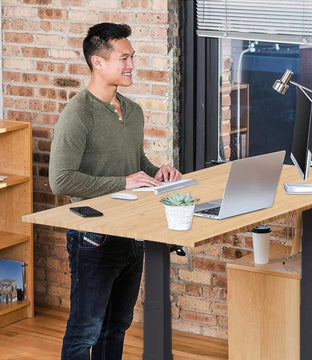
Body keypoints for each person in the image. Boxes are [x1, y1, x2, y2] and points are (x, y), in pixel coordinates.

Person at [49, 22, 181, 360]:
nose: (131, 65)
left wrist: (158, 173)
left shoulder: (132, 111)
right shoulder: (78, 114)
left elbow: (134, 162)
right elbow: (60, 180)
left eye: (132, 57)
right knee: (85, 330)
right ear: (98, 62)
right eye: (123, 58)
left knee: (117, 325)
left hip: (131, 232)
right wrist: (124, 183)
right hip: (93, 238)